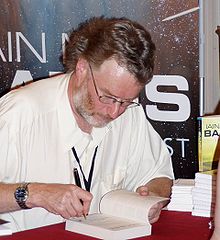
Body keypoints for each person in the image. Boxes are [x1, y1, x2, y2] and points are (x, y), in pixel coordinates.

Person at [0, 16, 174, 232]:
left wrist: (150, 198)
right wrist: (35, 194)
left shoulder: (131, 116)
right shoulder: (21, 113)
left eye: (126, 102)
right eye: (107, 97)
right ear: (82, 68)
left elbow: (160, 175)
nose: (115, 112)